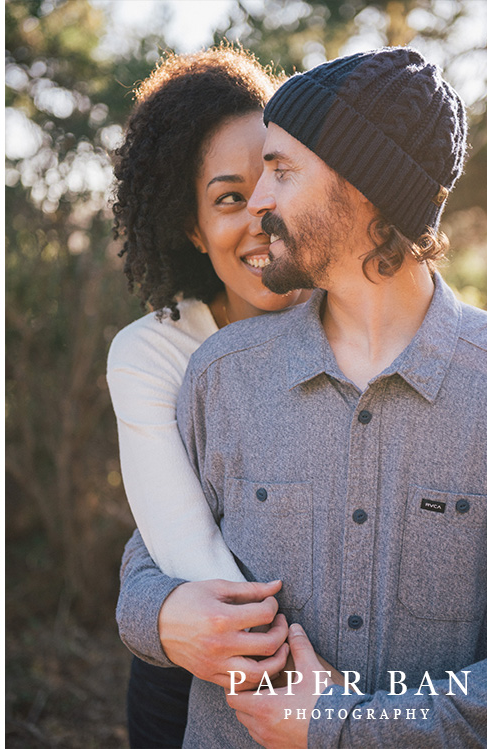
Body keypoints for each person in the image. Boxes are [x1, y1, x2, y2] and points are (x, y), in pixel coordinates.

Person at [118, 46, 487, 747]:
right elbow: (149, 559)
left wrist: (343, 724)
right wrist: (158, 611)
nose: (261, 203)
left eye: (282, 170)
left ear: (364, 188)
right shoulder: (220, 374)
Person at [107, 45, 306, 747]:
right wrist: (305, 691)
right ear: (192, 225)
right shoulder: (152, 353)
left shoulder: (361, 322)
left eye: (276, 178)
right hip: (198, 673)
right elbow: (185, 551)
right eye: (228, 197)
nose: (261, 214)